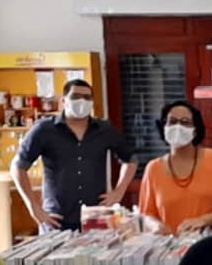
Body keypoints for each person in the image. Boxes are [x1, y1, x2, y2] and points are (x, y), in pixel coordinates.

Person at [12, 79, 137, 232]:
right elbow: (18, 167)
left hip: (95, 217)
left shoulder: (104, 130)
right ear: (63, 101)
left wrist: (119, 192)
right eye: (76, 96)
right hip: (56, 219)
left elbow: (130, 159)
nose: (82, 101)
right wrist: (33, 207)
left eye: (87, 97)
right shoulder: (44, 130)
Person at [139, 100, 212, 234]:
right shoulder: (153, 168)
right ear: (164, 127)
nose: (178, 127)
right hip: (172, 244)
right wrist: (156, 226)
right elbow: (147, 214)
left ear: (195, 130)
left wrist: (203, 220)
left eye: (185, 122)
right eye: (172, 121)